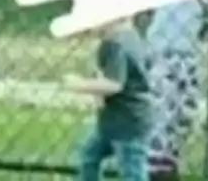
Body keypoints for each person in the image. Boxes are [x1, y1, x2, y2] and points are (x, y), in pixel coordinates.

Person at [63, 15, 154, 181]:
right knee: (88, 156)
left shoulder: (116, 44)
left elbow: (114, 85)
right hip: (113, 120)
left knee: (133, 171)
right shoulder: (128, 36)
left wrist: (80, 84)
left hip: (128, 122)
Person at [145, 0, 208, 180]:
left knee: (177, 122)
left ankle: (163, 165)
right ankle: (157, 167)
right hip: (167, 54)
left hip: (183, 55)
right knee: (162, 124)